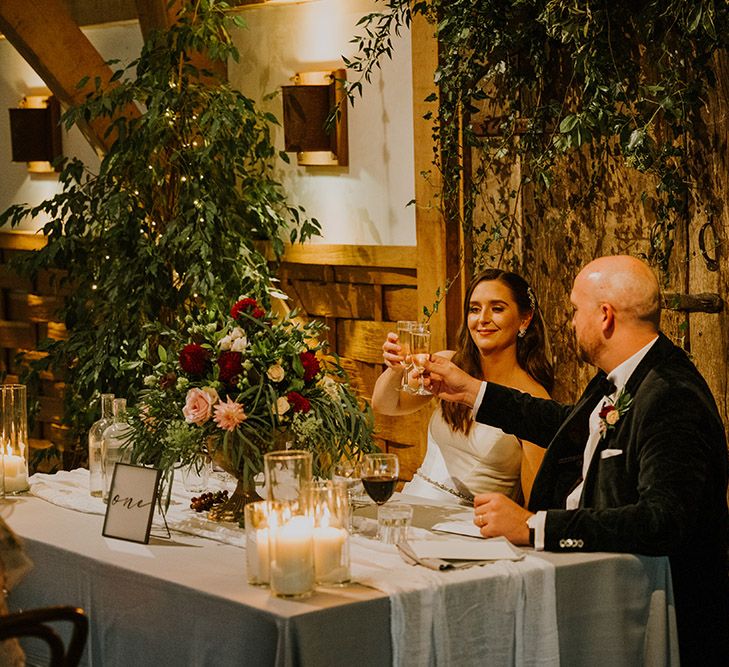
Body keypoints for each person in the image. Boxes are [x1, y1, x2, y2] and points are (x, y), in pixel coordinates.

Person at [423, 255, 729, 664]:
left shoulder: (672, 394)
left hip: (651, 608)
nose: (570, 322)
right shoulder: (622, 376)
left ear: (605, 317)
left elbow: (663, 519)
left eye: (574, 310)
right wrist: (471, 392)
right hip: (592, 576)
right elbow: (563, 424)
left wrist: (535, 525)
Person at [371, 269, 553, 505]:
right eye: (474, 309)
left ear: (524, 318)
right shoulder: (450, 365)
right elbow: (385, 405)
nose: (482, 319)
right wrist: (396, 369)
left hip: (469, 526)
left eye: (497, 309)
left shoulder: (533, 399)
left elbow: (535, 504)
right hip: (411, 502)